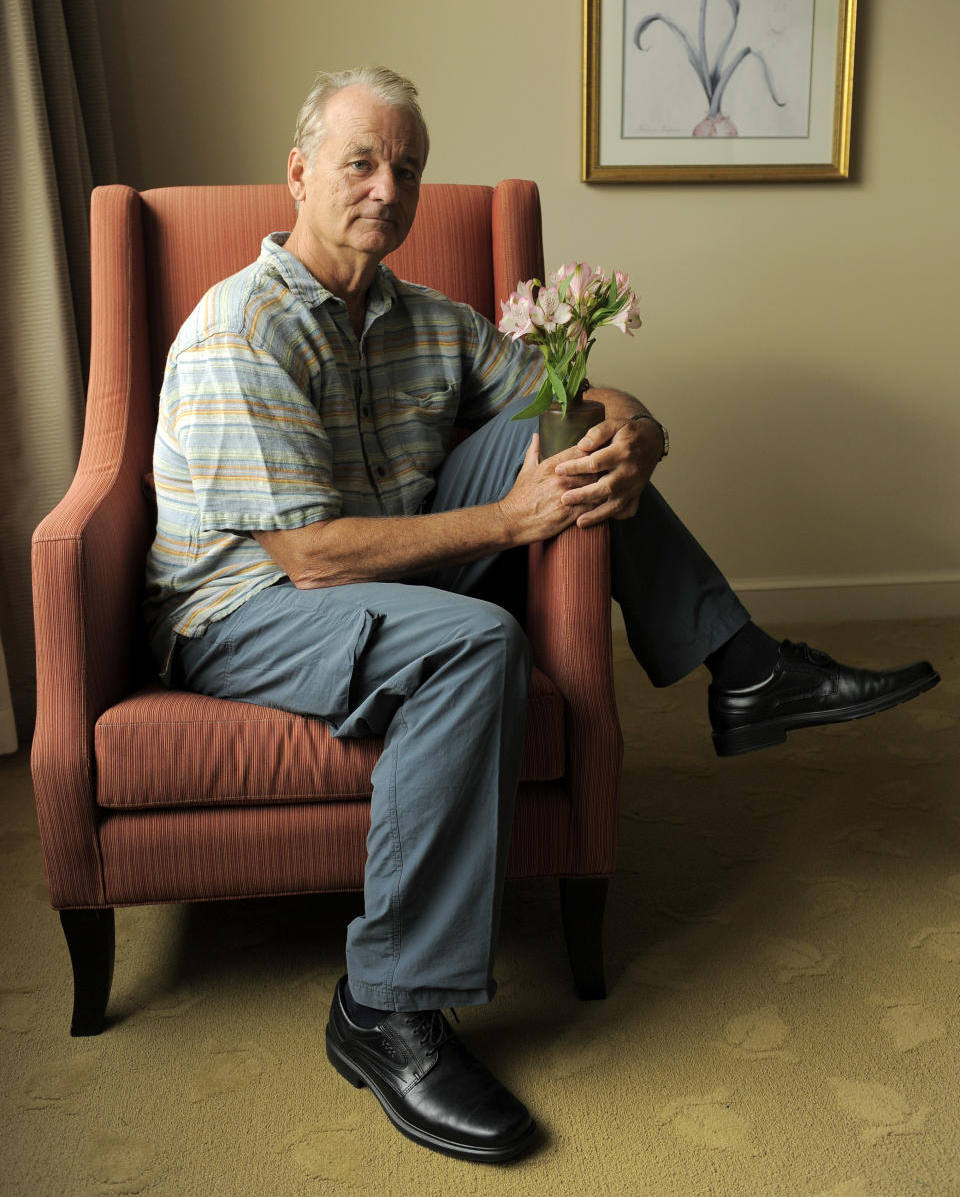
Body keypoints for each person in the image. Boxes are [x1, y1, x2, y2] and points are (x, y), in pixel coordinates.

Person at [143, 66, 939, 1165]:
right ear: (300, 174)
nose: (387, 187)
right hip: (248, 608)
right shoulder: (243, 329)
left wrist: (635, 431)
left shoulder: (429, 319)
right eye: (361, 161)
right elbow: (314, 559)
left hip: (390, 565)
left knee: (574, 437)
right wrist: (511, 525)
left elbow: (579, 396)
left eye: (407, 168)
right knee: (479, 642)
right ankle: (384, 1008)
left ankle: (747, 668)